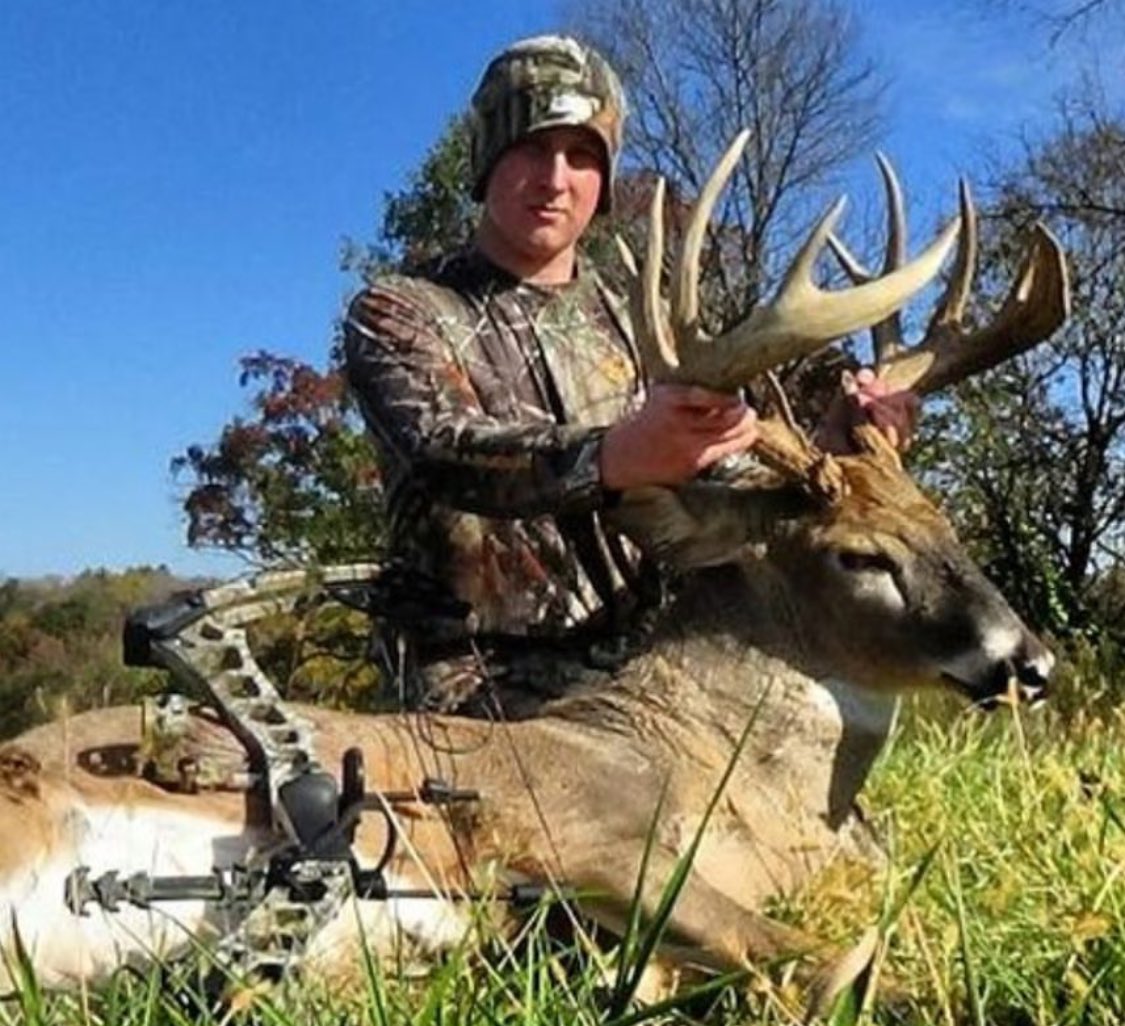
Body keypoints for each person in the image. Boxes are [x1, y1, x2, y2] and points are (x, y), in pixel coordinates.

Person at [343, 34, 911, 717]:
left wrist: (837, 448)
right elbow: (441, 452)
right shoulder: (399, 311)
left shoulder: (651, 330)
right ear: (486, 160)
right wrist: (612, 456)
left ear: (605, 179)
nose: (555, 179)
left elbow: (731, 491)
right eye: (530, 147)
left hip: (649, 674)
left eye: (582, 155)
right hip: (466, 686)